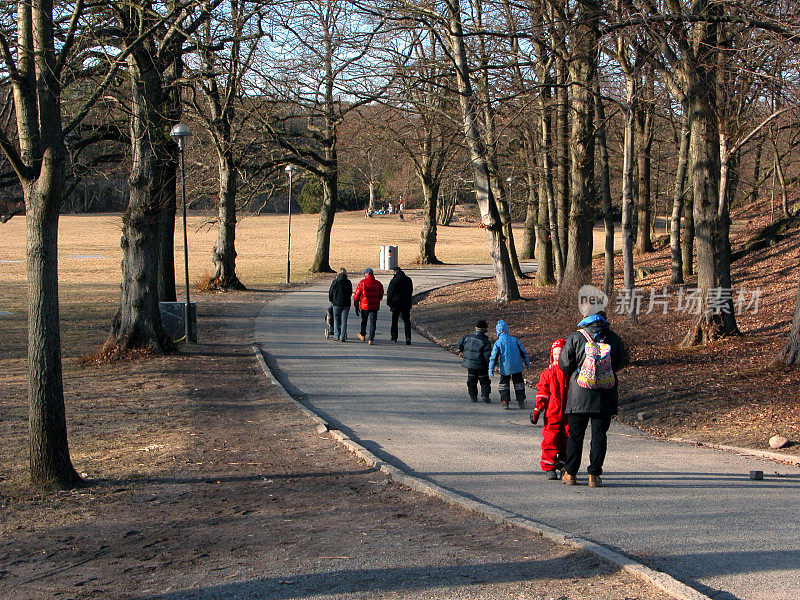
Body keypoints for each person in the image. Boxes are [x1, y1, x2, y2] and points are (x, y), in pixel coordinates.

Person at [558, 311, 626, 488]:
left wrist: (577, 375)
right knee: (599, 436)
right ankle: (594, 476)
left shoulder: (576, 337)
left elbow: (564, 363)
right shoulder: (613, 338)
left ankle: (571, 473)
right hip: (605, 395)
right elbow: (618, 363)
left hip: (579, 395)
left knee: (575, 436)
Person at [531, 339, 569, 480]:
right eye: (556, 353)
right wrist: (537, 409)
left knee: (568, 439)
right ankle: (549, 466)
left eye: (561, 353)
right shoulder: (547, 374)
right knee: (550, 439)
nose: (558, 356)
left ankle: (565, 464)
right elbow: (542, 393)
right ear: (552, 355)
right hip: (552, 413)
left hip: (568, 413)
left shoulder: (570, 373)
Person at [488, 320, 530, 409]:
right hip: (517, 366)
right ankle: (521, 401)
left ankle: (505, 402)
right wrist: (526, 362)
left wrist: (491, 369)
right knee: (519, 384)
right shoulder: (514, 340)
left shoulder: (498, 343)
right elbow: (523, 352)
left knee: (504, 384)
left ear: (497, 332)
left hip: (505, 368)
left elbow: (493, 357)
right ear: (507, 330)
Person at [458, 320, 492, 403]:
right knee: (484, 380)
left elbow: (459, 346)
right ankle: (485, 395)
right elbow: (487, 355)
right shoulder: (485, 341)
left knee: (471, 380)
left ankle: (473, 396)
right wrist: (490, 364)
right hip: (481, 365)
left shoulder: (466, 338)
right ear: (485, 329)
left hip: (470, 364)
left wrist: (465, 354)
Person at [353, 267, 384, 345]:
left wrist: (356, 305)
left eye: (364, 273)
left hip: (364, 305)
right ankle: (371, 339)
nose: (364, 274)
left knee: (364, 321)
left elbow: (356, 295)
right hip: (374, 306)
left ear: (367, 274)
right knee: (373, 322)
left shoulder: (362, 283)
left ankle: (363, 334)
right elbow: (381, 294)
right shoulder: (378, 283)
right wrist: (377, 300)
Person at [386, 266, 413, 345]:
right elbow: (410, 291)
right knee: (406, 321)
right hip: (406, 303)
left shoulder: (394, 280)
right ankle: (408, 338)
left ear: (395, 272)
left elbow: (390, 292)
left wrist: (389, 302)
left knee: (395, 320)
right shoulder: (408, 279)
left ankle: (394, 337)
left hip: (396, 303)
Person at [328, 268, 352, 342]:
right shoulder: (348, 282)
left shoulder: (335, 282)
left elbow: (331, 292)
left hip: (336, 303)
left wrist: (332, 300)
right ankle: (343, 336)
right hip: (346, 303)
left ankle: (336, 335)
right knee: (344, 320)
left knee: (336, 319)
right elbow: (350, 293)